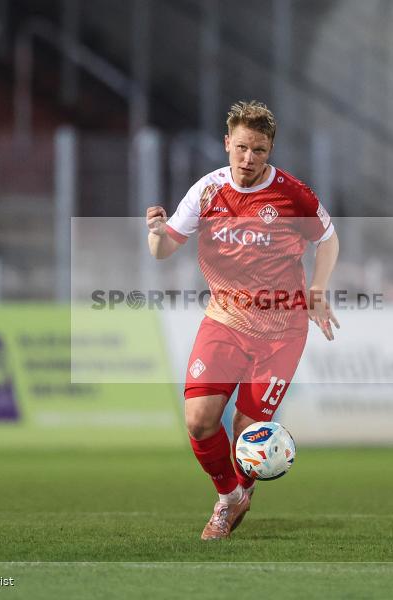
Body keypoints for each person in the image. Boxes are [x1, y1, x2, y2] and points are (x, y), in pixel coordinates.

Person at [145, 100, 340, 540]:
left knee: (246, 434)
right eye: (241, 148)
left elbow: (327, 241)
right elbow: (164, 250)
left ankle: (234, 498)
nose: (249, 159)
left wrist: (318, 290)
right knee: (198, 420)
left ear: (270, 149)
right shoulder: (206, 192)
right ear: (226, 143)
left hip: (281, 330)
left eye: (259, 151)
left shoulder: (292, 194)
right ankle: (230, 498)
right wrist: (155, 234)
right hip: (225, 321)